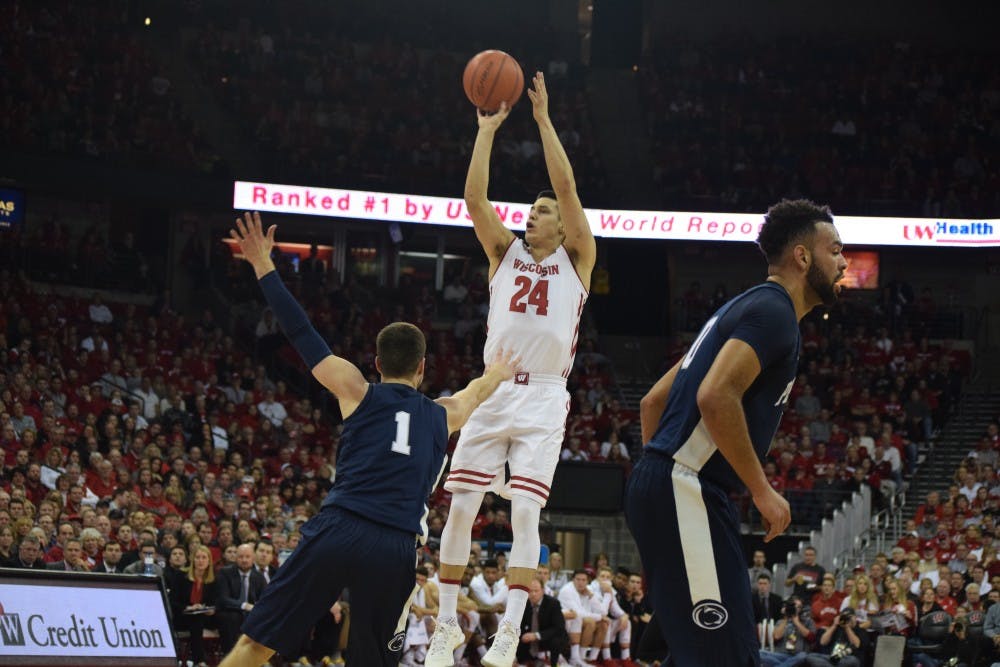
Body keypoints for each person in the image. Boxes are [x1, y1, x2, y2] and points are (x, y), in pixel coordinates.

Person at [218, 212, 517, 667]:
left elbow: (302, 333)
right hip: (395, 545)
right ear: (422, 369)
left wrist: (264, 266)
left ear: (376, 363)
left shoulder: (356, 390)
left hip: (340, 526)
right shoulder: (444, 413)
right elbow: (480, 388)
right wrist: (504, 364)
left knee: (258, 643)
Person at [625, 199, 848, 666]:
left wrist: (658, 480)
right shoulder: (774, 313)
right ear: (803, 257)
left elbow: (653, 401)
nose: (844, 261)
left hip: (671, 486)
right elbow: (715, 395)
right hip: (686, 488)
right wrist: (762, 491)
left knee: (700, 652)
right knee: (725, 657)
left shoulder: (744, 307)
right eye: (836, 250)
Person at [427, 71, 596, 667]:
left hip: (546, 396)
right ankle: (447, 626)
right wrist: (486, 131)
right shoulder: (504, 250)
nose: (534, 213)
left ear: (561, 225)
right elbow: (475, 201)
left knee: (525, 509)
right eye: (530, 208)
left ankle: (509, 632)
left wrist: (545, 120)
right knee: (463, 504)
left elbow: (569, 188)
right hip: (493, 389)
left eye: (542, 210)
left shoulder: (578, 257)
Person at [517, 578, 570, 665]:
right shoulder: (524, 603)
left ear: (542, 591)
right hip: (530, 635)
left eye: (536, 591)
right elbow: (520, 625)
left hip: (549, 635)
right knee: (517, 636)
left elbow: (559, 627)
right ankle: (521, 661)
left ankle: (554, 663)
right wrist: (523, 635)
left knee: (556, 641)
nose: (533, 594)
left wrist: (537, 635)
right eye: (530, 591)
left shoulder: (553, 603)